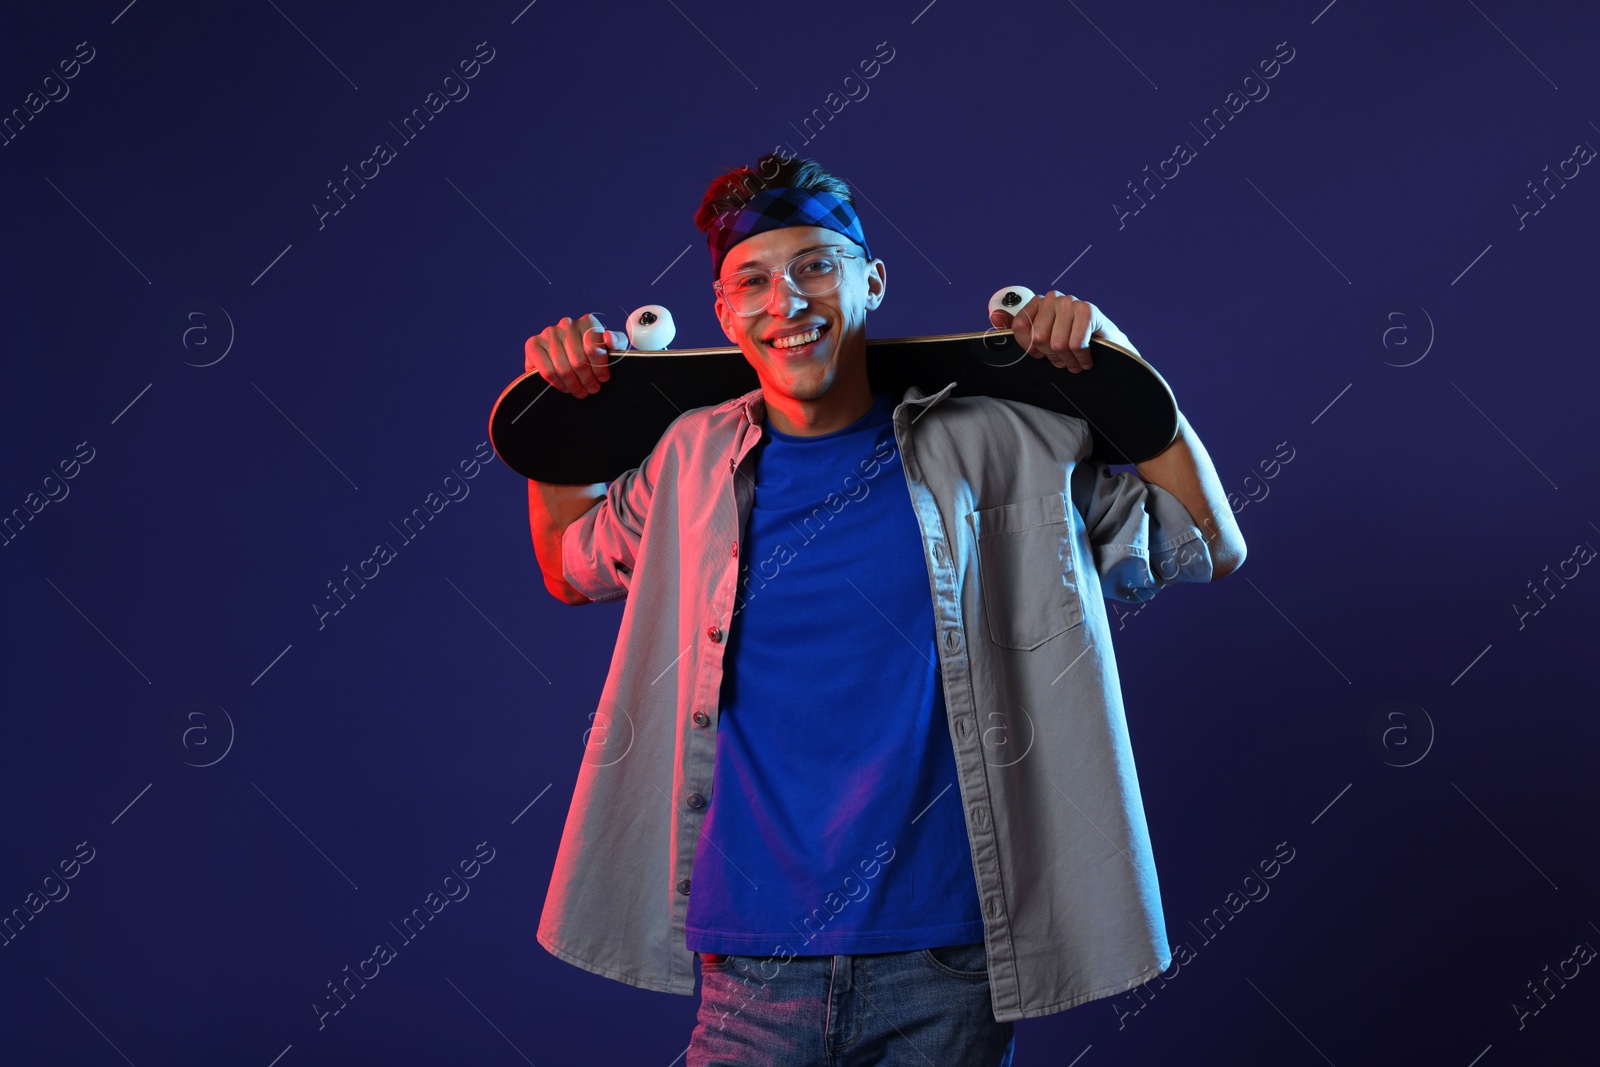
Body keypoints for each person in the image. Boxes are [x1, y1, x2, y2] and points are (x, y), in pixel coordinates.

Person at [522, 154, 1246, 1066]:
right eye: (754, 279)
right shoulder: (689, 462)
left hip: (947, 959)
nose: (787, 302)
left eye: (817, 266)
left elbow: (1202, 541)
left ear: (871, 279)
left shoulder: (1003, 443)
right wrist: (562, 415)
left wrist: (1120, 368)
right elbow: (570, 562)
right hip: (750, 959)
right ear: (722, 310)